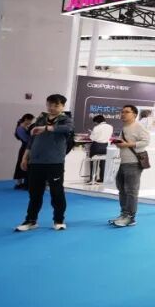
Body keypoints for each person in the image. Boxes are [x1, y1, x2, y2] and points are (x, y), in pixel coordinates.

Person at [15, 94, 74, 232]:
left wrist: (46, 128)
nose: (52, 108)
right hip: (36, 162)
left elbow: (68, 129)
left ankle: (59, 220)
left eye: (56, 105)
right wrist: (25, 158)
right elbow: (31, 140)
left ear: (62, 106)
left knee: (57, 192)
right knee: (34, 193)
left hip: (55, 162)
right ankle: (31, 220)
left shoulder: (66, 120)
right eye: (49, 105)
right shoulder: (40, 119)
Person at [110, 105, 150, 227]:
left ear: (134, 114)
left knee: (131, 191)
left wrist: (127, 144)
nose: (123, 114)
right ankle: (124, 214)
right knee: (122, 189)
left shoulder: (138, 126)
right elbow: (125, 143)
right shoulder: (125, 127)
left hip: (134, 163)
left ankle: (130, 217)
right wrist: (119, 143)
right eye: (122, 112)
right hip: (123, 162)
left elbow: (146, 141)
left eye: (127, 112)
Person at [87, 115, 113, 184]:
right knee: (103, 162)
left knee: (93, 162)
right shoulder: (110, 127)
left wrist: (90, 134)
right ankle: (102, 178)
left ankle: (93, 179)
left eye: (95, 122)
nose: (95, 123)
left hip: (96, 146)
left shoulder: (96, 128)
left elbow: (92, 138)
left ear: (97, 121)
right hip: (105, 146)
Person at [12, 114, 35, 189]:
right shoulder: (20, 128)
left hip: (27, 147)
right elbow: (26, 139)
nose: (31, 122)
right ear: (26, 119)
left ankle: (25, 182)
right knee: (21, 165)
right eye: (30, 120)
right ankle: (19, 183)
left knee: (26, 165)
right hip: (24, 148)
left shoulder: (25, 127)